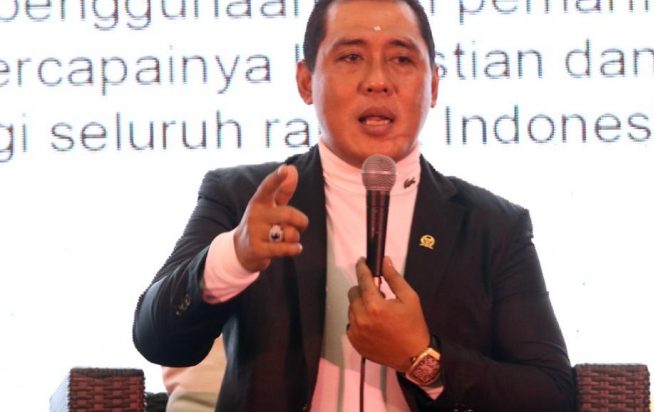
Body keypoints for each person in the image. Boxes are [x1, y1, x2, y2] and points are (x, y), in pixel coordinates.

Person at [133, 0, 575, 410]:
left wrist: (423, 358)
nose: (377, 80)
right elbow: (156, 338)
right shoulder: (245, 196)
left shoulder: (491, 226)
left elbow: (552, 394)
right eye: (351, 57)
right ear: (306, 82)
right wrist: (233, 256)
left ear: (433, 85)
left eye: (402, 59)